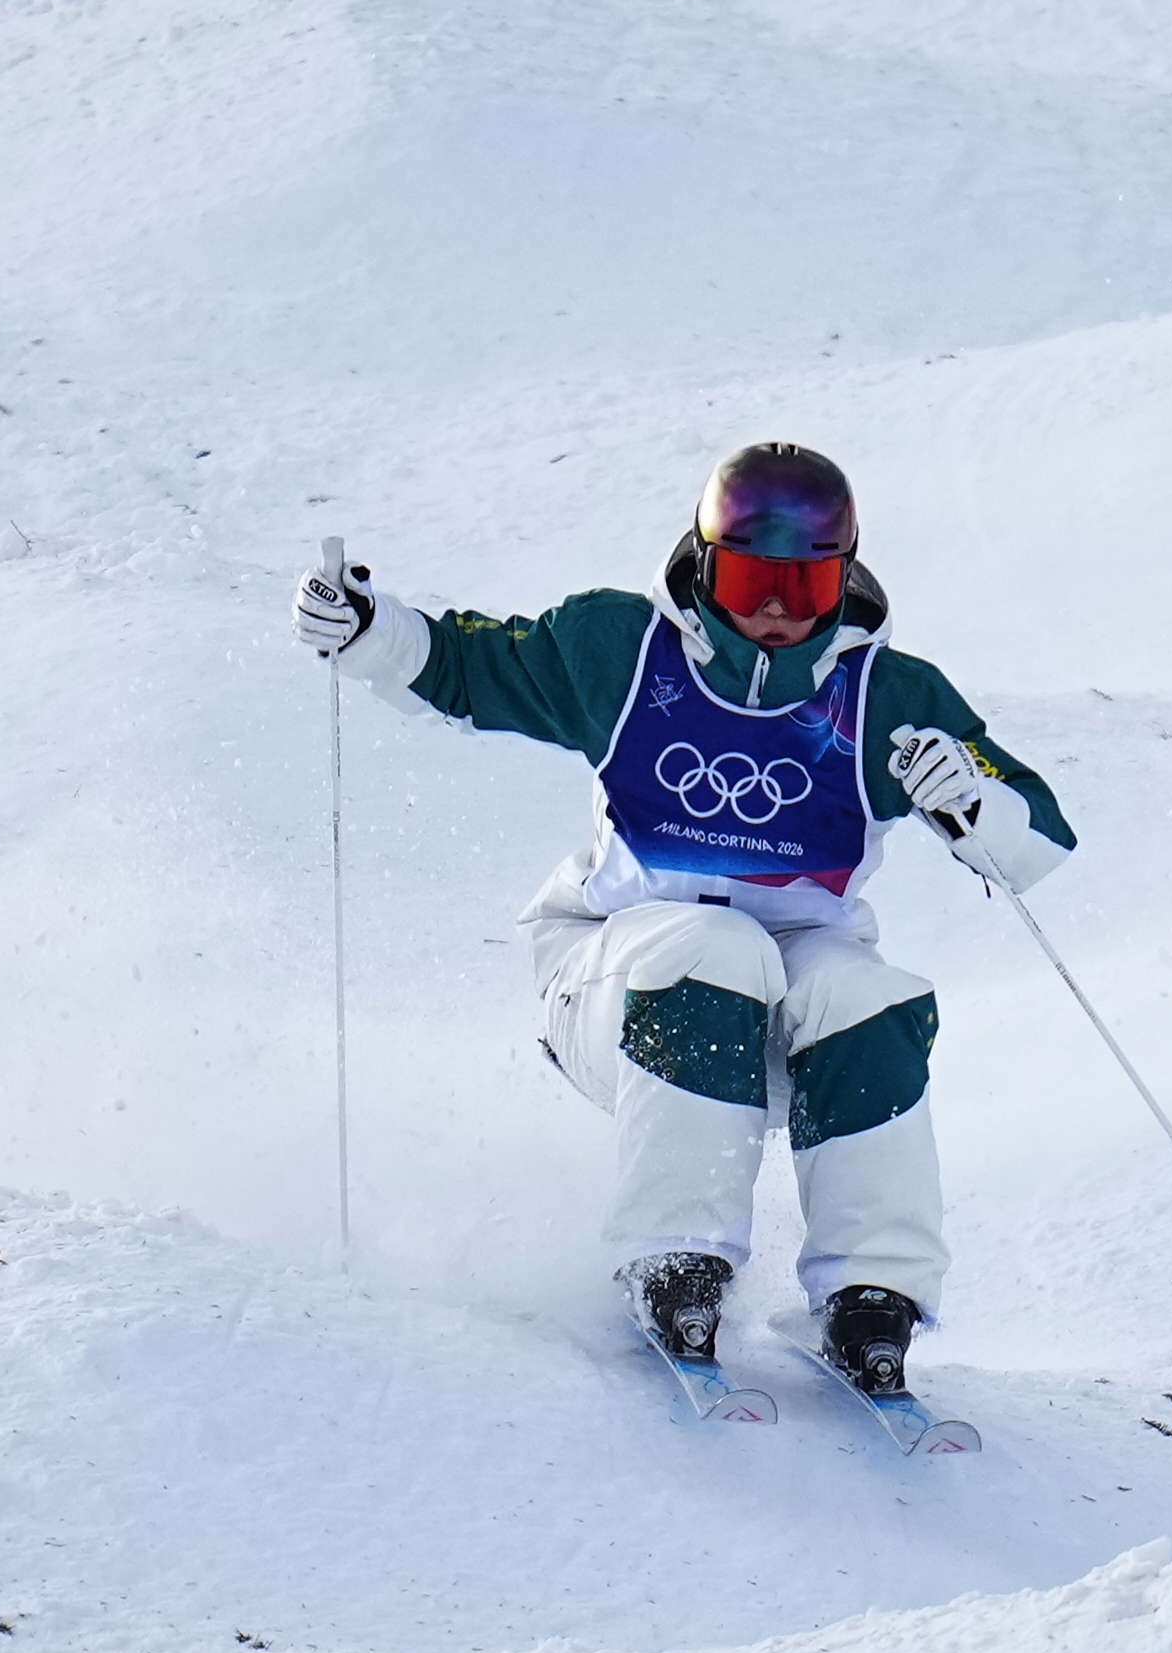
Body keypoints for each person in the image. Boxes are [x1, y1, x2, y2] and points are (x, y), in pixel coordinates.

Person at [292, 443, 1073, 1395]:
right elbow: (469, 665)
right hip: (615, 983)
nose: (776, 611)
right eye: (750, 580)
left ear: (845, 577)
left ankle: (872, 1298)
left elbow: (1039, 838)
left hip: (782, 1013)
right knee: (717, 945)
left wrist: (977, 803)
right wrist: (366, 627)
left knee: (865, 994)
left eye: (804, 585)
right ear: (705, 566)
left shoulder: (887, 699)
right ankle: (675, 1264)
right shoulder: (623, 652)